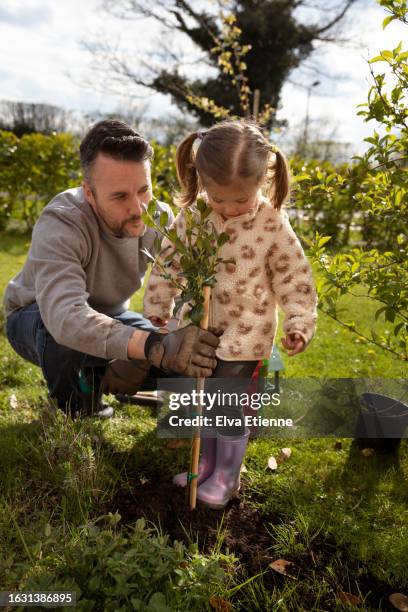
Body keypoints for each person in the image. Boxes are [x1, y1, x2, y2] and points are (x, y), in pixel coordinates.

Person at [143, 119, 318, 508]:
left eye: (240, 200)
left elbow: (295, 277)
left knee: (225, 400)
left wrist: (298, 322)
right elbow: (168, 262)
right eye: (218, 198)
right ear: (202, 182)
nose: (228, 208)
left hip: (248, 331)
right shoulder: (194, 216)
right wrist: (159, 306)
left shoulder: (271, 223)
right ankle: (205, 464)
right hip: (200, 326)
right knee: (201, 396)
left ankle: (227, 476)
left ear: (262, 181)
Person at [3, 119, 220, 419]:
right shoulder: (62, 221)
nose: (138, 208)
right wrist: (149, 347)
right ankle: (76, 408)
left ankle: (99, 379)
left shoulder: (158, 217)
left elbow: (187, 289)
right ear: (89, 194)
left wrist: (163, 342)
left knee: (187, 357)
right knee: (58, 336)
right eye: (119, 196)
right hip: (35, 318)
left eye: (143, 190)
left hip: (113, 315)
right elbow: (65, 317)